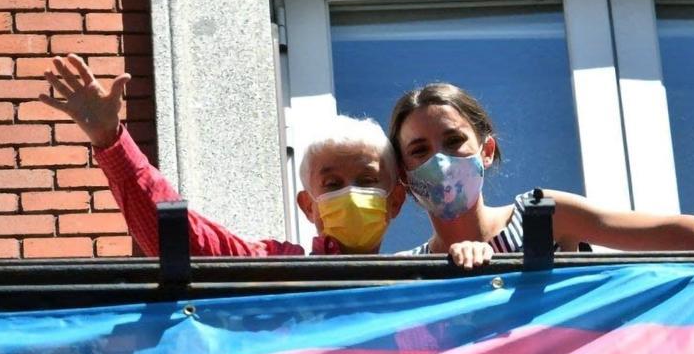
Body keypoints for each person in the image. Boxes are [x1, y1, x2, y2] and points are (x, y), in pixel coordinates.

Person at [41, 55, 491, 265]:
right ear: (307, 205)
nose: (350, 193)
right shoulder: (276, 267)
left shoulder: (421, 280)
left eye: (366, 181)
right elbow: (180, 237)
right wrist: (110, 140)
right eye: (331, 185)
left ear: (395, 201)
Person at [387, 83, 694, 275]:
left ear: (486, 151)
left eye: (454, 141)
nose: (442, 160)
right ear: (404, 175)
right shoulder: (403, 271)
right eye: (420, 151)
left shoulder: (540, 217)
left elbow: (668, 232)